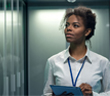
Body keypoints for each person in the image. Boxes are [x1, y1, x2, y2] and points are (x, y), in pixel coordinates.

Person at [42, 6, 110, 96]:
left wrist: (93, 94)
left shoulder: (102, 62)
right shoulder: (53, 61)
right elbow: (46, 93)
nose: (68, 28)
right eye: (67, 25)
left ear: (87, 31)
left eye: (75, 25)